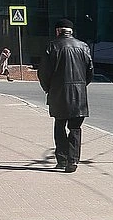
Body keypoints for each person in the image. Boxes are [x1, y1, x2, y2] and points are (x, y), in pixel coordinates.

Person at [37, 19, 94, 173]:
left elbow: (43, 72)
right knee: (75, 128)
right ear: (71, 31)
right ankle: (73, 161)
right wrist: (81, 86)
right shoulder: (83, 46)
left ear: (58, 31)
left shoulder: (52, 46)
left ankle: (62, 160)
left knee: (60, 126)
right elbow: (90, 71)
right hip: (79, 95)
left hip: (58, 94)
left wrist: (48, 88)